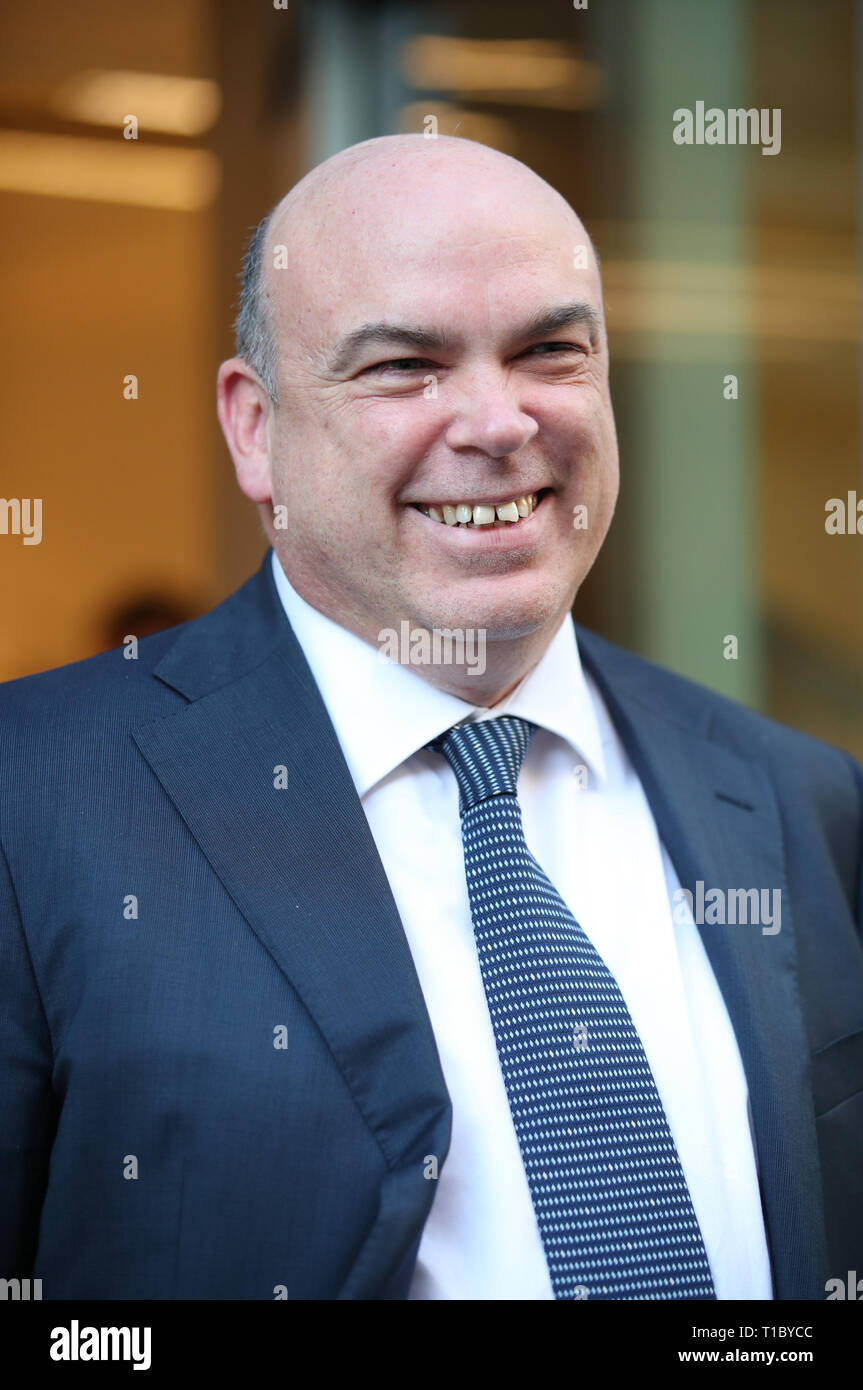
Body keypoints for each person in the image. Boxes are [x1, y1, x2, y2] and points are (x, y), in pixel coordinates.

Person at [1, 135, 861, 1302]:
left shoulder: (796, 796)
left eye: (549, 350)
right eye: (403, 365)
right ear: (255, 429)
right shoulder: (34, 798)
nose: (497, 421)